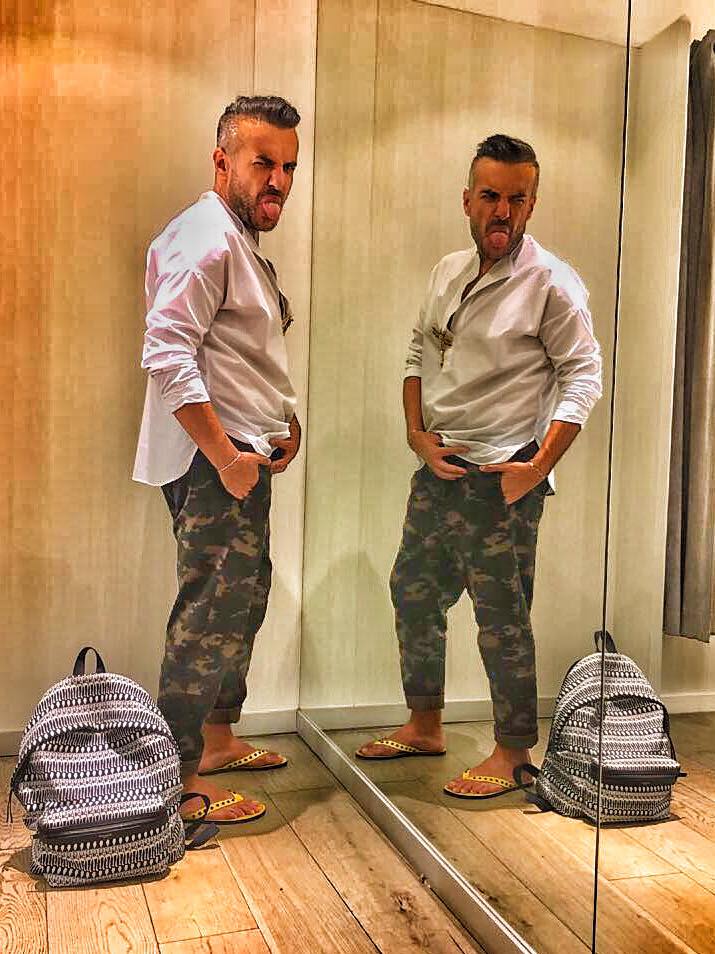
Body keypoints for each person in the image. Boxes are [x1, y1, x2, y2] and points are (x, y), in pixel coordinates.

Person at [357, 134, 602, 798]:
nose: (503, 211)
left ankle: (514, 752)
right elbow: (418, 351)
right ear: (467, 199)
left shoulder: (551, 282)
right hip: (440, 471)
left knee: (502, 618)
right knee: (412, 592)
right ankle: (424, 724)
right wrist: (417, 436)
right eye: (491, 196)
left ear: (531, 204)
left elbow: (584, 377)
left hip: (503, 477)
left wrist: (536, 467)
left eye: (517, 199)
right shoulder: (446, 271)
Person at [133, 95, 302, 823]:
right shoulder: (203, 238)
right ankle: (174, 784)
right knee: (208, 614)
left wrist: (282, 422)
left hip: (240, 454)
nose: (278, 180)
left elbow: (239, 355)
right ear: (222, 161)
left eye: (288, 167)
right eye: (263, 162)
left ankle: (217, 740)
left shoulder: (236, 241)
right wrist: (227, 456)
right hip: (214, 463)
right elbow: (166, 355)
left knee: (243, 600)